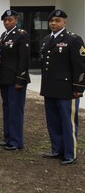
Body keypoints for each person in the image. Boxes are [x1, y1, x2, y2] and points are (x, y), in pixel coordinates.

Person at [40, 9, 84, 165]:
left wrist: (78, 88)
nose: (54, 23)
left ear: (64, 22)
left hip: (67, 90)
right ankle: (57, 149)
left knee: (68, 122)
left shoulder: (73, 40)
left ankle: (70, 153)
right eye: (51, 20)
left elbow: (80, 66)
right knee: (53, 121)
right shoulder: (46, 40)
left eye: (57, 20)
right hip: (50, 88)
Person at [0, 10, 30, 151]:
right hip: (5, 78)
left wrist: (20, 79)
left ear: (16, 20)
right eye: (5, 20)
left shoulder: (21, 35)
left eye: (10, 20)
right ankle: (8, 137)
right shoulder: (4, 35)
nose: (7, 22)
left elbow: (24, 59)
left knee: (16, 110)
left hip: (16, 79)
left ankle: (16, 141)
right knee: (7, 108)